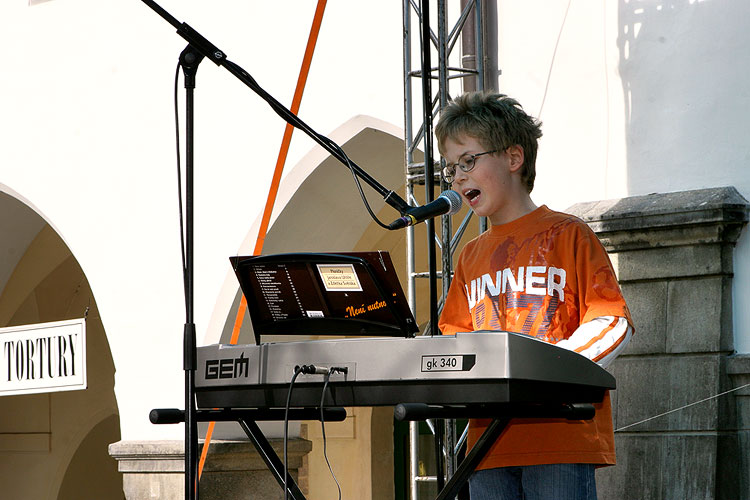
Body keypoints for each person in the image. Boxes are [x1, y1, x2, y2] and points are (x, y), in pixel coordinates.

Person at [436, 91, 634, 500]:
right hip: (487, 444)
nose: (457, 177)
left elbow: (611, 321)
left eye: (468, 161)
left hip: (560, 434)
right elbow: (454, 342)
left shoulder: (569, 235)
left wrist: (552, 369)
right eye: (451, 168)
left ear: (513, 158)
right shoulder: (470, 256)